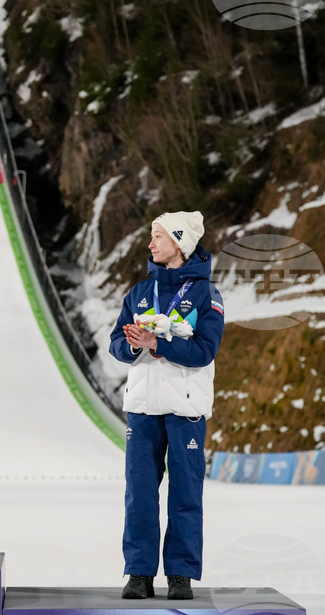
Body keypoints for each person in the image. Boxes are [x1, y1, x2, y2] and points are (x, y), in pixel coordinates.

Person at [108, 211, 225, 600]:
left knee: (185, 494)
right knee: (139, 492)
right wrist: (132, 343)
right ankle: (138, 574)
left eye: (158, 236)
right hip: (142, 409)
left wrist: (159, 344)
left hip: (185, 410)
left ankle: (180, 575)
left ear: (179, 242)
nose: (150, 243)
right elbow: (117, 345)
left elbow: (204, 351)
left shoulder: (208, 295)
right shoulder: (139, 293)